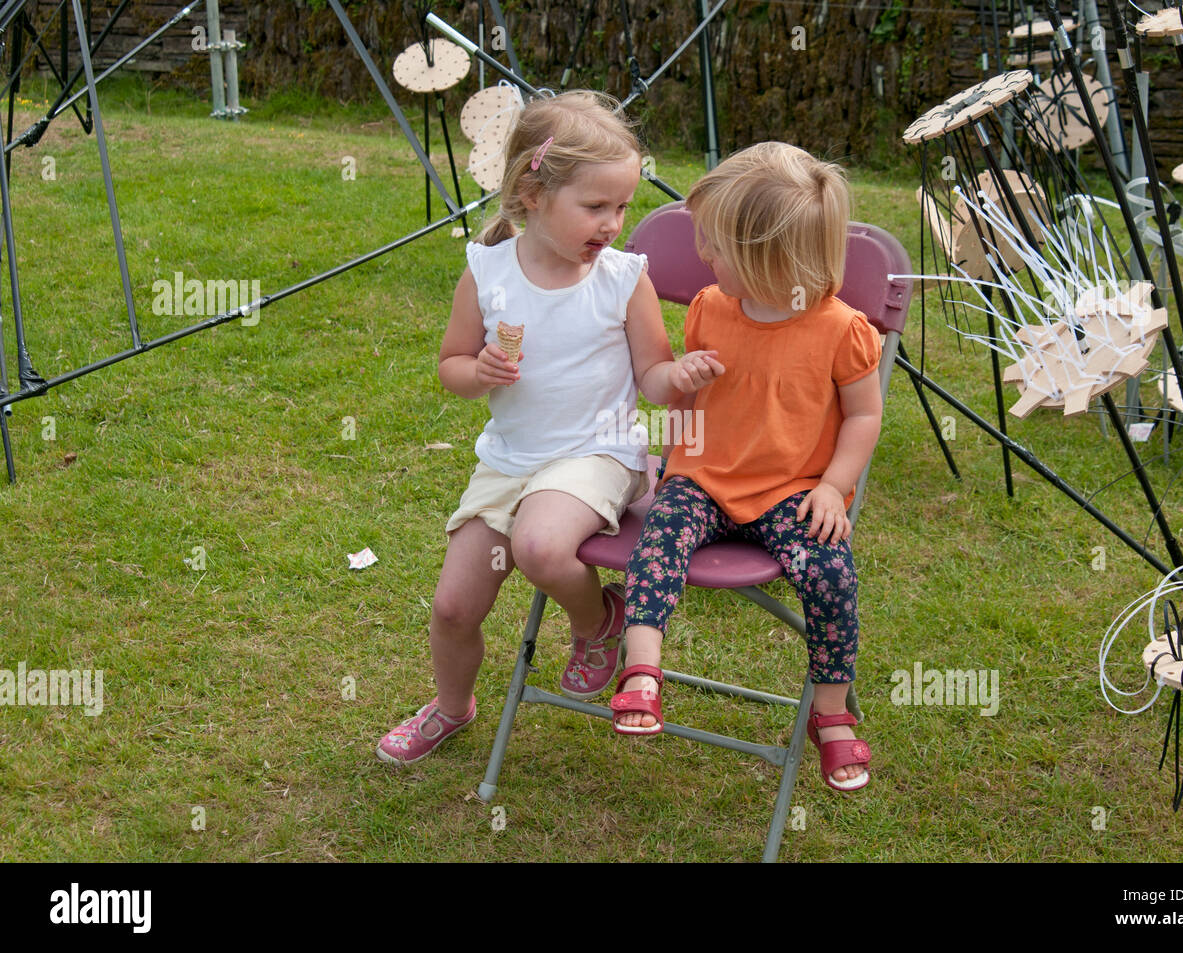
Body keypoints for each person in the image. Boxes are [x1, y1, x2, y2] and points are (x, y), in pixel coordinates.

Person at [377, 91, 708, 764]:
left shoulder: (622, 279)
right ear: (532, 192)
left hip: (598, 454)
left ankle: (596, 622)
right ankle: (451, 707)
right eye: (596, 206)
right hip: (510, 459)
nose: (614, 223)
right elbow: (450, 364)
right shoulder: (488, 270)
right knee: (452, 607)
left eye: (622, 206)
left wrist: (677, 380)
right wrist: (481, 373)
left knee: (539, 543)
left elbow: (652, 373)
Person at [612, 142, 883, 792]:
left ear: (769, 258)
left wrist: (833, 486)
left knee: (831, 574)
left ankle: (830, 711)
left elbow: (864, 417)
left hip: (792, 491)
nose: (703, 254)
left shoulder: (841, 329)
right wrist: (685, 379)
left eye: (717, 245)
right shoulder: (711, 305)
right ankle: (643, 673)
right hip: (703, 478)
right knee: (659, 539)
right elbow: (690, 395)